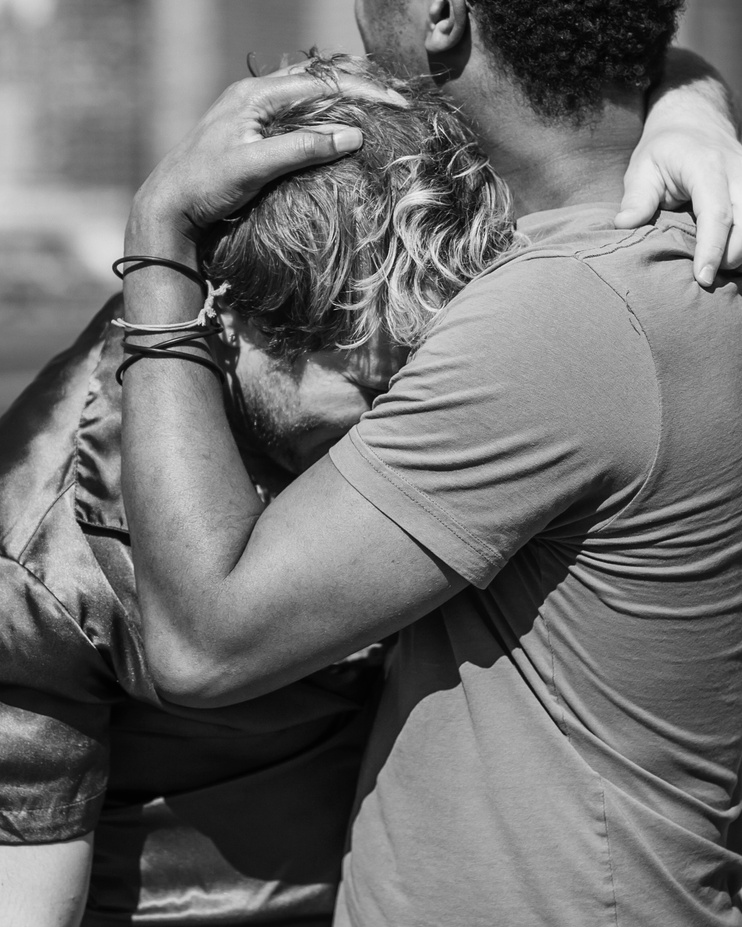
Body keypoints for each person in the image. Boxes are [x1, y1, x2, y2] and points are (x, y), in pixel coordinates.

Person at [116, 4, 742, 927]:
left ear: (443, 12)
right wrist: (694, 96)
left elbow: (206, 643)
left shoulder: (564, 323)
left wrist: (158, 235)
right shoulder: (670, 254)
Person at [0, 58, 516, 927]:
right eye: (366, 388)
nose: (402, 430)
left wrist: (693, 114)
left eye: (421, 388)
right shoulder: (41, 548)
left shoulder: (415, 376)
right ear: (232, 318)